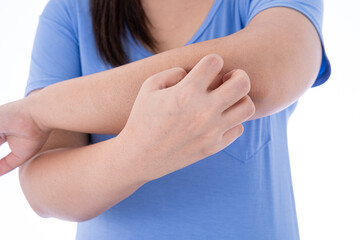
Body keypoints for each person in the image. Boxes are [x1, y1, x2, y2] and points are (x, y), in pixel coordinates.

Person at [0, 0, 331, 239]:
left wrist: (37, 109)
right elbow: (43, 190)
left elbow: (274, 67)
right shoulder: (70, 11)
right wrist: (137, 154)